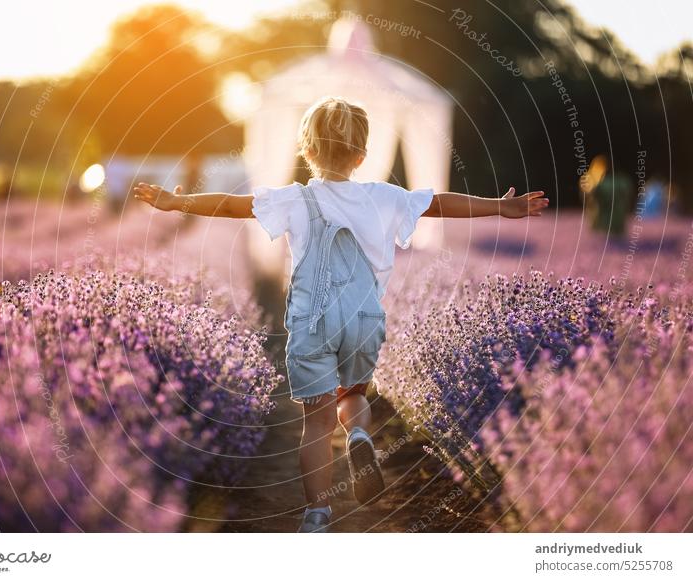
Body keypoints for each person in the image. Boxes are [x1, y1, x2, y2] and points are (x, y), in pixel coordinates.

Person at [133, 96, 548, 532]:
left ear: (306, 151)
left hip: (311, 322)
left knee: (315, 422)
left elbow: (232, 205)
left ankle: (317, 515)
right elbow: (439, 203)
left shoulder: (292, 199)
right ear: (362, 156)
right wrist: (501, 206)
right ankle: (360, 436)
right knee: (352, 396)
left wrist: (175, 203)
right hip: (363, 319)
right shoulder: (383, 197)